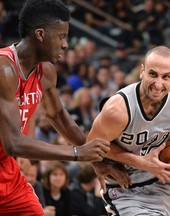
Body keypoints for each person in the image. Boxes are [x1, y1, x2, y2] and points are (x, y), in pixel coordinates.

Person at [0, 0, 112, 215]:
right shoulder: (4, 69)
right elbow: (13, 143)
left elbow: (58, 115)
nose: (65, 44)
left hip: (6, 170)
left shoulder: (46, 72)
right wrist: (78, 153)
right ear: (40, 34)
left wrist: (95, 160)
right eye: (61, 36)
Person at [87, 45, 170, 215]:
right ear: (142, 71)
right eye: (153, 74)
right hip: (128, 188)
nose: (158, 84)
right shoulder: (118, 110)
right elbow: (91, 145)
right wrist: (140, 162)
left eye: (166, 77)